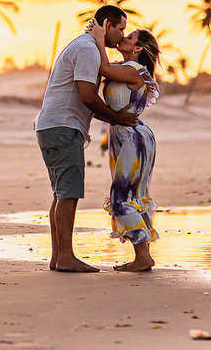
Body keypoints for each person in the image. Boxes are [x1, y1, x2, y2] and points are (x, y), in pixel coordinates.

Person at [34, 5, 139, 273]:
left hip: (54, 126)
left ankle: (59, 257)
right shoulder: (87, 49)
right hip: (63, 126)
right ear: (108, 25)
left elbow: (87, 98)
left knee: (61, 194)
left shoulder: (87, 46)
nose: (122, 35)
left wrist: (113, 119)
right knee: (68, 194)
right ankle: (65, 257)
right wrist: (116, 117)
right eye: (121, 29)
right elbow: (87, 96)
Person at [88, 20, 162, 272]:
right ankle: (142, 256)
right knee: (134, 196)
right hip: (124, 134)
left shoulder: (134, 71)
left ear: (138, 48)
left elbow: (102, 67)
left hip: (132, 137)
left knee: (122, 198)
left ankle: (143, 256)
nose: (123, 38)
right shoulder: (124, 68)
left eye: (129, 37)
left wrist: (99, 36)